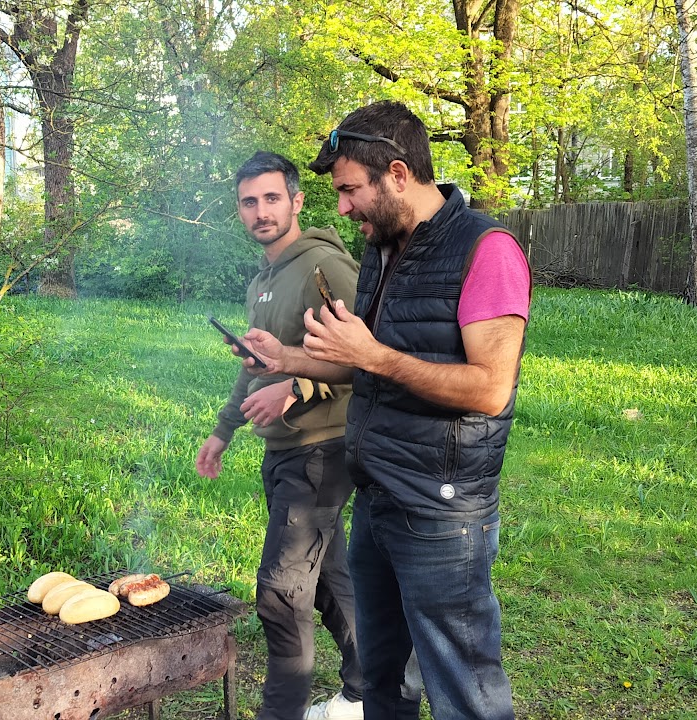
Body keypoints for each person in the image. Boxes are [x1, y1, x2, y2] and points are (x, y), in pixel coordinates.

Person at [240, 101, 531, 720]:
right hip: (376, 497)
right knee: (383, 680)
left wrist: (374, 354)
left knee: (464, 689)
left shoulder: (488, 249)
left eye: (350, 190)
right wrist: (290, 359)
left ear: (397, 174)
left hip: (442, 509)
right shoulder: (381, 248)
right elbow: (362, 361)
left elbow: (490, 389)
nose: (342, 207)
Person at [196, 151, 367, 720]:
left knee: (280, 592)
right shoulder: (263, 282)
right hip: (283, 451)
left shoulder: (326, 267)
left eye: (272, 198)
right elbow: (257, 364)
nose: (261, 211)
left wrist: (295, 391)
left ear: (296, 201)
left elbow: (369, 358)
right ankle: (372, 691)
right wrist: (225, 430)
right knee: (329, 580)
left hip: (325, 448)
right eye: (249, 202)